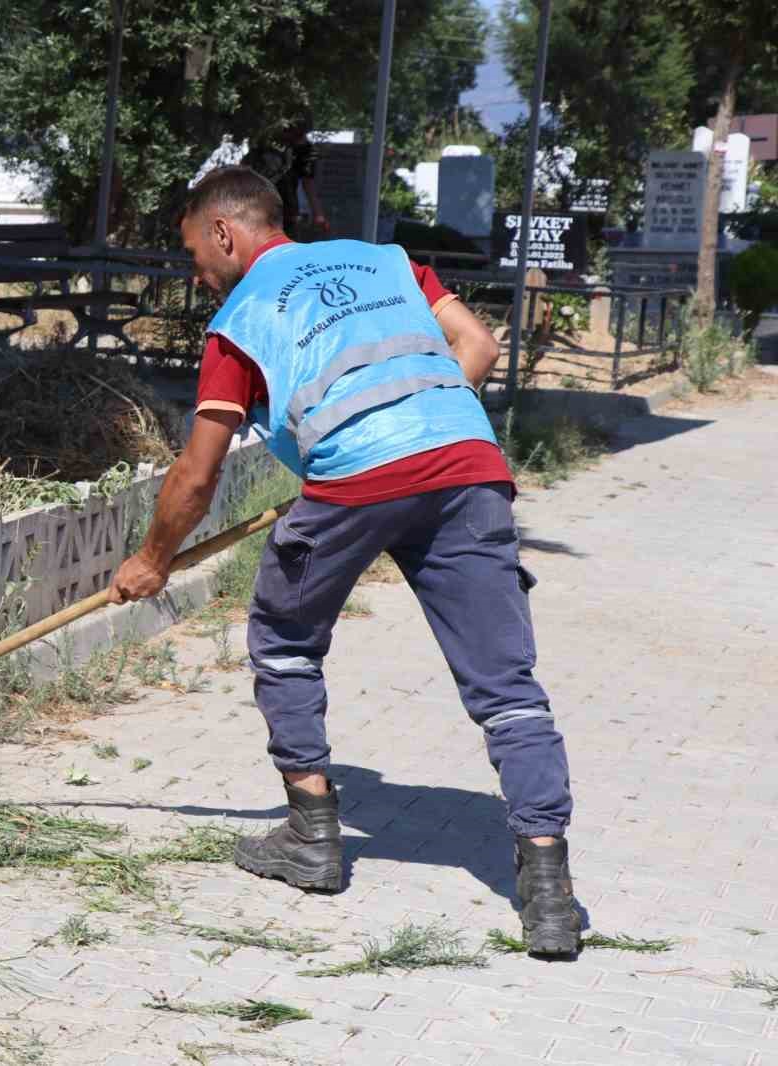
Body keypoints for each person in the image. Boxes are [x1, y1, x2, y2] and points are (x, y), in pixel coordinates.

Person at [107, 166, 581, 957]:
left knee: (284, 640)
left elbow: (197, 472)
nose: (196, 271)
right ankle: (550, 892)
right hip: (468, 465)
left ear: (225, 233)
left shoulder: (241, 319)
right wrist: (411, 426)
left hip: (358, 480)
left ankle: (312, 838)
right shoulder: (389, 262)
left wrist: (154, 561)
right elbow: (480, 346)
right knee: (505, 684)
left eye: (195, 251)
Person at [247, 122, 328, 238]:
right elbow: (308, 184)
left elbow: (307, 182)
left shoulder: (302, 150)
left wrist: (318, 214)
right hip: (276, 209)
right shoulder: (265, 148)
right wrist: (318, 214)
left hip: (280, 210)